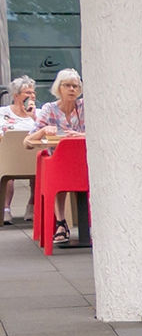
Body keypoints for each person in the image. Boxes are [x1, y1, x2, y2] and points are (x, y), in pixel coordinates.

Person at [25, 68, 86, 246]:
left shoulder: (84, 108)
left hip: (85, 162)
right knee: (62, 171)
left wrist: (81, 135)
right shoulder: (49, 109)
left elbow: (103, 134)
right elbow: (27, 141)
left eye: (75, 86)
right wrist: (44, 130)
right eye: (67, 85)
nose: (72, 89)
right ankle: (60, 222)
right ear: (59, 88)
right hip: (60, 165)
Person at [0, 75, 38, 225]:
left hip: (30, 155)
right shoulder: (2, 112)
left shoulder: (39, 114)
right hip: (8, 154)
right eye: (27, 93)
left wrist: (33, 117)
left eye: (33, 92)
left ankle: (32, 206)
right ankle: (6, 208)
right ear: (16, 96)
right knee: (7, 171)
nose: (32, 96)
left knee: (39, 169)